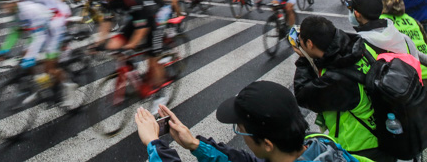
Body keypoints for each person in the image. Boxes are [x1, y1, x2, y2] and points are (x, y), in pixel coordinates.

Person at [136, 81, 357, 162]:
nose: (240, 133)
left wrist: (154, 145)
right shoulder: (321, 145)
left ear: (268, 144)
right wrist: (194, 144)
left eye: (241, 130)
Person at [292, 16, 391, 162]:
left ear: (310, 43)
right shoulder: (358, 48)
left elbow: (303, 95)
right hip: (381, 134)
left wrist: (304, 60)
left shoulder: (338, 80)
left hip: (360, 148)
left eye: (300, 39)